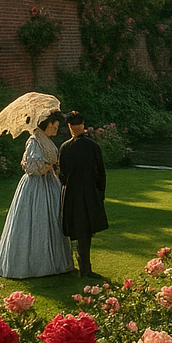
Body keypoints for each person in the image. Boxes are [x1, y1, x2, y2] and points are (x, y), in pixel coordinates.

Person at [0, 109, 74, 279]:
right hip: (36, 187)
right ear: (46, 124)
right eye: (54, 126)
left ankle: (53, 262)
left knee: (51, 222)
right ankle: (33, 264)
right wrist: (49, 165)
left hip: (50, 184)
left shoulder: (46, 140)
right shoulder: (34, 140)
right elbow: (31, 166)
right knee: (36, 221)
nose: (56, 129)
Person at [59, 110, 109, 280]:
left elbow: (62, 175)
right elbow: (100, 173)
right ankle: (85, 268)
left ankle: (83, 267)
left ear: (69, 127)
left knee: (80, 230)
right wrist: (100, 192)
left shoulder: (65, 148)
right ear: (82, 125)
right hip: (89, 193)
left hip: (72, 194)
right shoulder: (92, 147)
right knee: (86, 232)